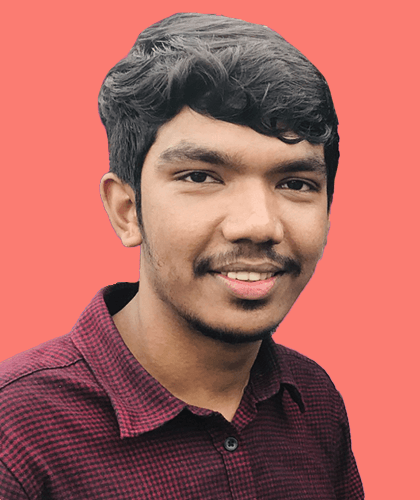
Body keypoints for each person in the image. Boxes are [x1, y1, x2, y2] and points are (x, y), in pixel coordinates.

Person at [0, 12, 364, 500]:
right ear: (127, 211)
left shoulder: (314, 401)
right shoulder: (16, 434)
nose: (258, 225)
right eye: (200, 176)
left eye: (295, 183)